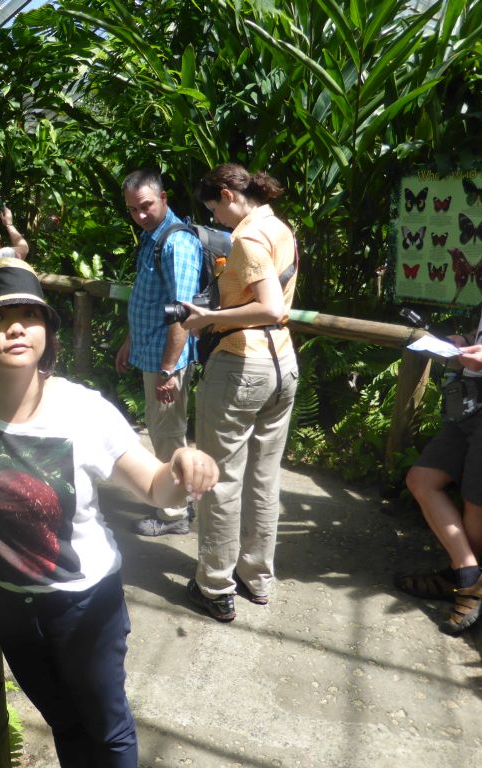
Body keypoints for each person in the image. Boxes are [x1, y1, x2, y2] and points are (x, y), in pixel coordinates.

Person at [0, 257, 218, 768]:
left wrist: (183, 467)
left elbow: (154, 486)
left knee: (106, 725)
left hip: (84, 604)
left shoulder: (84, 410)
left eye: (28, 316)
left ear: (46, 332)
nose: (14, 327)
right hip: (8, 601)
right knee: (62, 718)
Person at [179, 163, 299, 622]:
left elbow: (268, 307)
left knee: (220, 477)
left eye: (216, 209)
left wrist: (207, 319)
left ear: (228, 194)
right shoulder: (279, 227)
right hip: (282, 365)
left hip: (242, 363)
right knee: (264, 477)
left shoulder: (247, 237)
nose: (218, 221)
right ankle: (257, 576)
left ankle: (214, 585)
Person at [396, 232, 482, 634]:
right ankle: (469, 577)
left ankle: (462, 579)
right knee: (422, 478)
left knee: (477, 498)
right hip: (476, 392)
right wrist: (464, 343)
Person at [118, 169, 203, 537]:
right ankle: (176, 500)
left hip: (166, 360)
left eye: (145, 206)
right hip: (151, 350)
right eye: (132, 209)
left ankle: (174, 513)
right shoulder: (152, 236)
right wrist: (129, 340)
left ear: (164, 198)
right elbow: (149, 301)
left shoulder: (175, 244)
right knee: (162, 430)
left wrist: (169, 370)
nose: (139, 215)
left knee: (168, 435)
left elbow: (181, 314)